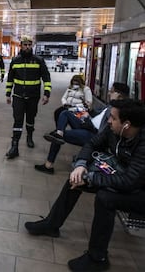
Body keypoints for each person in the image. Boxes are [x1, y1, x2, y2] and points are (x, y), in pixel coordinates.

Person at [25, 98, 145, 271]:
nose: (108, 121)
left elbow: (130, 182)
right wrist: (81, 165)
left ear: (126, 125)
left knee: (106, 198)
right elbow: (92, 143)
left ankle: (98, 258)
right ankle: (51, 225)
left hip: (139, 191)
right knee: (75, 179)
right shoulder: (113, 131)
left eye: (112, 118)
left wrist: (90, 178)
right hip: (120, 175)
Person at [35, 82, 130, 174]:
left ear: (119, 95)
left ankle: (49, 164)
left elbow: (107, 127)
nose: (109, 93)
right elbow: (98, 114)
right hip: (88, 124)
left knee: (57, 135)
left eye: (112, 91)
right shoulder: (110, 105)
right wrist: (90, 111)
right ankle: (59, 133)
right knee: (65, 113)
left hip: (94, 133)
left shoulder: (118, 110)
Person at [5, 35, 51, 158]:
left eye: (29, 45)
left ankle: (29, 136)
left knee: (30, 119)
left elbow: (46, 78)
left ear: (32, 46)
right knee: (18, 120)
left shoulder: (38, 60)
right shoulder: (15, 60)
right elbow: (10, 78)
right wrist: (8, 94)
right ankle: (14, 146)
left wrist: (47, 94)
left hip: (33, 96)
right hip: (18, 96)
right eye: (25, 45)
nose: (27, 47)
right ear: (21, 46)